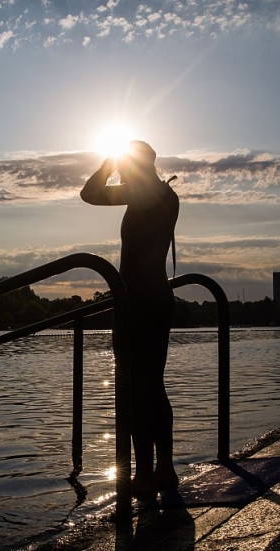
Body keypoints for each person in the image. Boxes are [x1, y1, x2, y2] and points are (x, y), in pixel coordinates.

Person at [80, 140, 179, 496]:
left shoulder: (145, 195)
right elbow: (91, 194)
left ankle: (147, 472)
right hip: (153, 299)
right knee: (151, 384)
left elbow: (89, 193)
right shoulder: (163, 195)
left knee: (138, 388)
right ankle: (160, 469)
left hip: (138, 302)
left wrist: (109, 164)